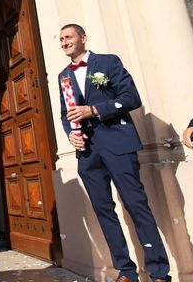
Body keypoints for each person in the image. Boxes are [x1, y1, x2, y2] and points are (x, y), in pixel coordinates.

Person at [57, 23, 170, 282]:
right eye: (61, 39)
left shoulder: (108, 63)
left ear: (83, 38)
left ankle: (159, 272)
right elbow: (66, 114)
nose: (64, 42)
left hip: (118, 145)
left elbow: (132, 97)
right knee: (103, 210)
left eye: (69, 37)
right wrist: (71, 133)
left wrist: (94, 110)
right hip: (87, 153)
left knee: (136, 205)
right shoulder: (64, 76)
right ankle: (126, 271)